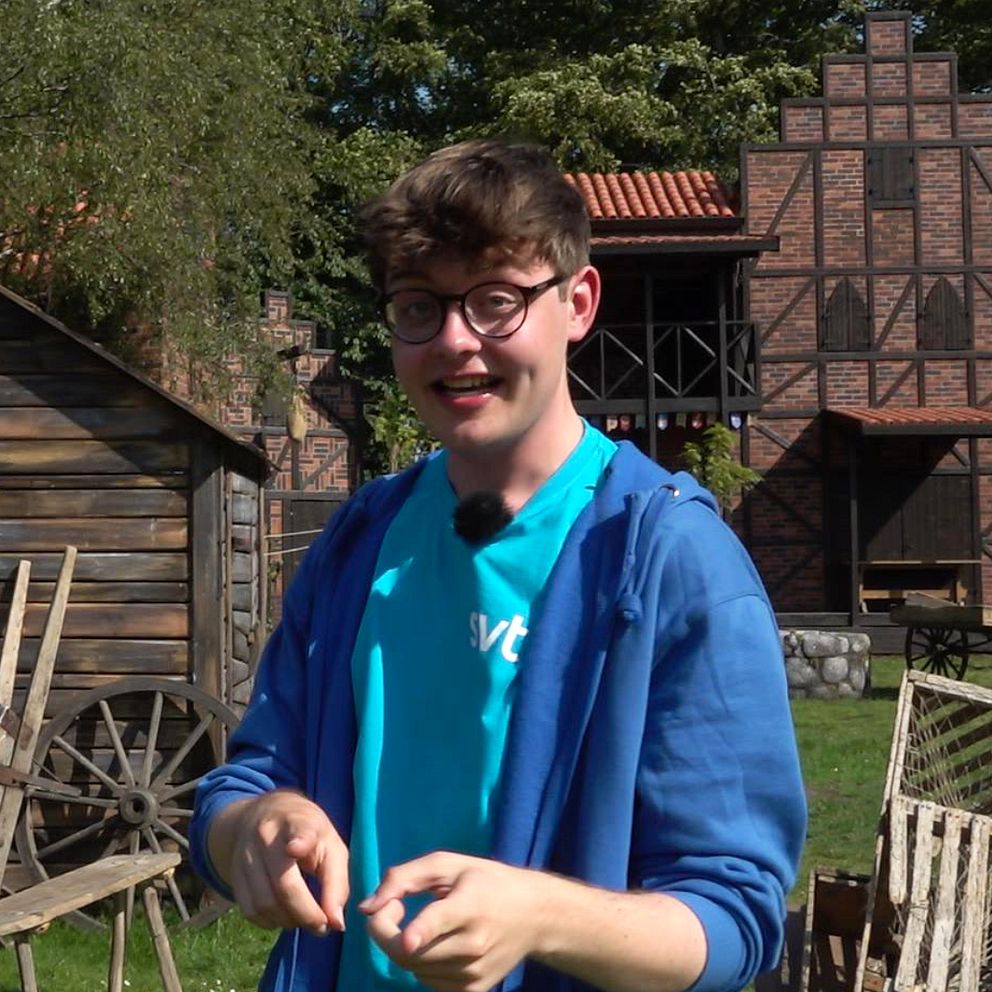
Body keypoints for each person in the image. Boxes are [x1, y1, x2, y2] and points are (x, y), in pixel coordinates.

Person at [190, 138, 806, 992]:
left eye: (496, 302)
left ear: (578, 303)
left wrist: (541, 918)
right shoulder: (359, 540)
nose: (455, 341)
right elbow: (244, 783)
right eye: (419, 306)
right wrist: (256, 823)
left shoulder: (668, 558)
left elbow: (737, 917)